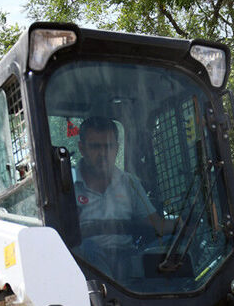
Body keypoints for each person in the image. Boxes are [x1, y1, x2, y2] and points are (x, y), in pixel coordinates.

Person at [72, 116, 174, 277]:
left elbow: (155, 224)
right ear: (82, 149)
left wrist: (182, 224)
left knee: (173, 244)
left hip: (126, 256)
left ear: (117, 149)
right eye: (95, 147)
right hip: (86, 265)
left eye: (108, 147)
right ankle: (104, 295)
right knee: (86, 247)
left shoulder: (129, 183)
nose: (103, 154)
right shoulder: (68, 185)